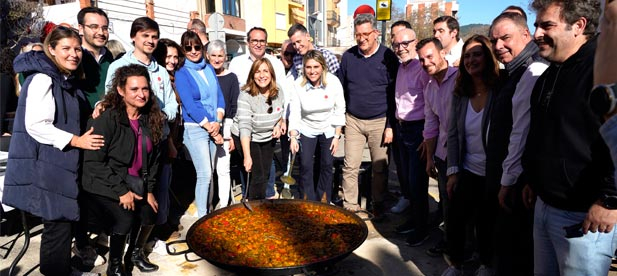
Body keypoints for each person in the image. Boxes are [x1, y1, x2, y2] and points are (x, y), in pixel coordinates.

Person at [523, 0, 617, 275]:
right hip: (544, 205)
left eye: (547, 25)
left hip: (586, 216)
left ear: (579, 25)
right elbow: (544, 134)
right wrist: (533, 177)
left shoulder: (603, 68)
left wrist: (611, 199)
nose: (537, 33)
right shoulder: (548, 74)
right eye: (536, 25)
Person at [3, 26, 104, 276]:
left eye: (77, 49)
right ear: (51, 49)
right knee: (57, 226)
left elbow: (63, 116)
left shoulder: (63, 80)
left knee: (61, 223)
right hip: (48, 165)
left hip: (59, 163)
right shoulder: (43, 79)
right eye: (66, 48)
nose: (74, 54)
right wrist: (77, 141)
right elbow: (36, 125)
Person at [82, 64, 164, 275]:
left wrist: (149, 190)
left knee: (151, 210)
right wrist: (121, 191)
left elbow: (154, 160)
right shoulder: (107, 119)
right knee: (125, 217)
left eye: (145, 89)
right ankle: (115, 266)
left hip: (136, 181)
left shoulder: (151, 118)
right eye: (134, 89)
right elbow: (94, 162)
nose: (141, 94)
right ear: (120, 90)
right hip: (106, 182)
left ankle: (135, 255)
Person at [487, 11, 548, 275]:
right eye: (494, 40)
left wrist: (508, 181)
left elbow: (520, 132)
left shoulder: (533, 70)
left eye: (505, 38)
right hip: (511, 178)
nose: (499, 46)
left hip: (517, 182)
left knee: (515, 251)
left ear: (526, 35)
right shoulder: (513, 70)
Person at [441, 35, 502, 276]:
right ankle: (456, 264)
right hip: (466, 169)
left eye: (477, 54)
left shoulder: (500, 89)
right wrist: (453, 170)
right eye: (467, 55)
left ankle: (486, 264)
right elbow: (454, 134)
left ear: (488, 57)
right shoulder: (461, 93)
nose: (471, 60)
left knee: (486, 223)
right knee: (455, 221)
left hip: (492, 173)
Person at [337, 13, 398, 221]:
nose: (361, 39)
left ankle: (378, 203)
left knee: (380, 167)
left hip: (379, 121)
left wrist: (390, 125)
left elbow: (394, 94)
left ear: (376, 33)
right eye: (357, 35)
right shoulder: (348, 57)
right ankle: (350, 205)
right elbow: (340, 88)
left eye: (365, 34)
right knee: (350, 165)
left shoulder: (388, 57)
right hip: (353, 119)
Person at [229, 27, 286, 199]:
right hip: (248, 135)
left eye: (265, 72)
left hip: (266, 134)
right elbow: (245, 126)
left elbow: (280, 109)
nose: (262, 75)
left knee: (266, 171)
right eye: (258, 72)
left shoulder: (278, 89)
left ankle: (262, 203)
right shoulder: (245, 93)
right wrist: (246, 155)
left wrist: (279, 122)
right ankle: (254, 208)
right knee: (255, 172)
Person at [175, 31, 225, 217]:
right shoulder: (182, 72)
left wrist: (218, 120)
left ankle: (208, 210)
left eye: (197, 47)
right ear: (183, 49)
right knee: (204, 174)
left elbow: (218, 95)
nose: (193, 51)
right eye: (188, 48)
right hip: (196, 128)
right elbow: (190, 103)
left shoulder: (208, 68)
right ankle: (202, 216)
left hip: (213, 124)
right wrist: (209, 126)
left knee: (210, 173)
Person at [390, 28, 432, 243]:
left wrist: (427, 136)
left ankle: (422, 228)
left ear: (415, 42)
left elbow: (430, 103)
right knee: (406, 180)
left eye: (405, 43)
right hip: (402, 127)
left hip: (418, 130)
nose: (401, 48)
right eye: (396, 44)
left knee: (417, 182)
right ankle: (414, 220)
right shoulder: (401, 67)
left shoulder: (422, 68)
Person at [288, 50, 345, 203]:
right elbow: (295, 112)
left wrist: (337, 136)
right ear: (304, 68)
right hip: (306, 127)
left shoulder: (333, 82)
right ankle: (307, 198)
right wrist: (293, 136)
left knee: (326, 164)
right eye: (308, 67)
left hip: (328, 128)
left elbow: (339, 109)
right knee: (306, 164)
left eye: (316, 67)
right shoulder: (298, 85)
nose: (312, 71)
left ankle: (323, 198)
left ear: (323, 67)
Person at [417, 37, 458, 247]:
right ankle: (450, 244)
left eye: (429, 56)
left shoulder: (461, 78)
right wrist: (429, 159)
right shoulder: (429, 88)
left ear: (442, 53)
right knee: (447, 202)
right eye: (422, 60)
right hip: (442, 153)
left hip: (466, 154)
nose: (426, 63)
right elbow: (431, 126)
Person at [207, 40, 239, 209]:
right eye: (214, 55)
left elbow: (234, 105)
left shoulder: (231, 78)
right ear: (208, 56)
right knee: (208, 170)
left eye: (220, 56)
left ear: (225, 57)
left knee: (223, 167)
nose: (217, 59)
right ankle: (209, 203)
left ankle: (224, 203)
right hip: (206, 125)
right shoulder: (204, 75)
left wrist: (231, 132)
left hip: (225, 124)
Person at [77, 7, 115, 109]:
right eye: (94, 27)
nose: (101, 33)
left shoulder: (109, 57)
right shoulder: (74, 58)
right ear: (81, 29)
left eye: (105, 28)